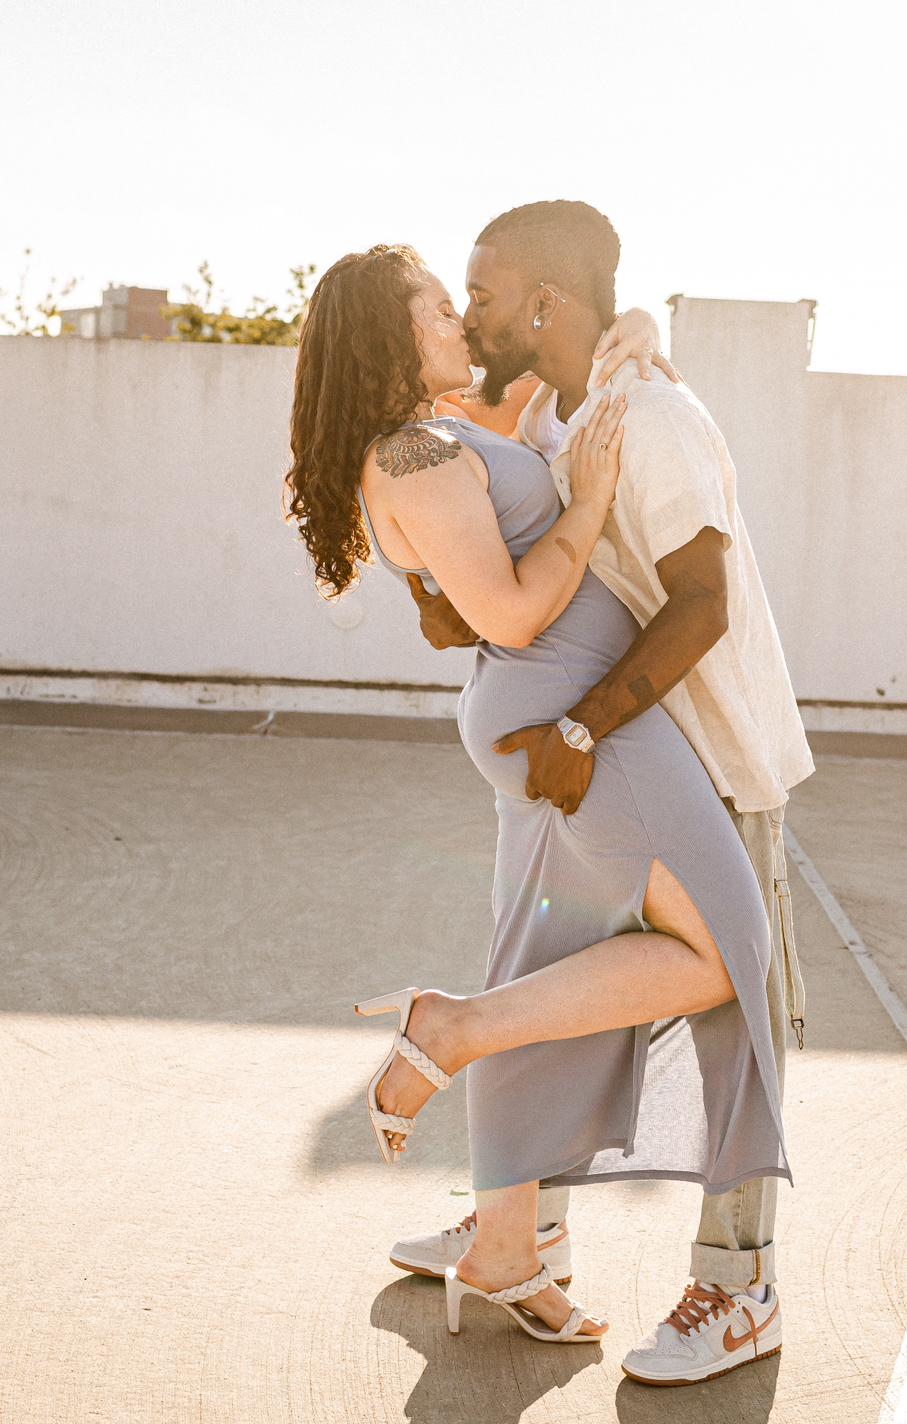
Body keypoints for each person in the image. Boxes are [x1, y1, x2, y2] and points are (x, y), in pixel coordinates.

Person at [284, 242, 790, 1354]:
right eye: (438, 307)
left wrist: (641, 324)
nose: (459, 322)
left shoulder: (445, 431)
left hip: (562, 710)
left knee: (550, 966)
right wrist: (593, 500)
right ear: (390, 334)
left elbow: (565, 390)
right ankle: (449, 1029)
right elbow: (512, 611)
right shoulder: (412, 452)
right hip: (568, 717)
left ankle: (508, 1245)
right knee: (726, 952)